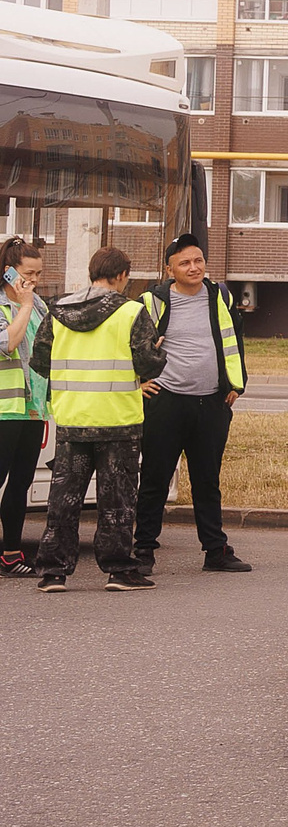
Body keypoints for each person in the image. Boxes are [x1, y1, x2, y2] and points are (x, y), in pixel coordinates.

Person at [31, 245, 165, 592]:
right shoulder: (131, 312)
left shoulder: (57, 309)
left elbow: (40, 361)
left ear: (92, 272)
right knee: (117, 499)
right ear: (122, 276)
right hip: (118, 419)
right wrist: (157, 350)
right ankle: (119, 570)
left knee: (64, 499)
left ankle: (53, 571)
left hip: (73, 417)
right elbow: (148, 365)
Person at [135, 234, 251, 576]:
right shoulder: (152, 301)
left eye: (198, 260)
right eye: (185, 262)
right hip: (165, 401)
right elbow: (131, 345)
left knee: (207, 480)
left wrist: (235, 384)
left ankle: (216, 551)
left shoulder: (221, 296)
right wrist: (137, 382)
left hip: (212, 403)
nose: (194, 267)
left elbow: (235, 340)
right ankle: (143, 551)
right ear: (169, 268)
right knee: (155, 478)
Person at [0, 237, 48, 578]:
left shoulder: (40, 305)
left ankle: (11, 554)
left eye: (38, 273)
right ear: (8, 272)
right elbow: (8, 343)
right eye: (28, 273)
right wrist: (25, 304)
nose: (33, 280)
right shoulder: (4, 306)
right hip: (4, 408)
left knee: (21, 483)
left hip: (32, 408)